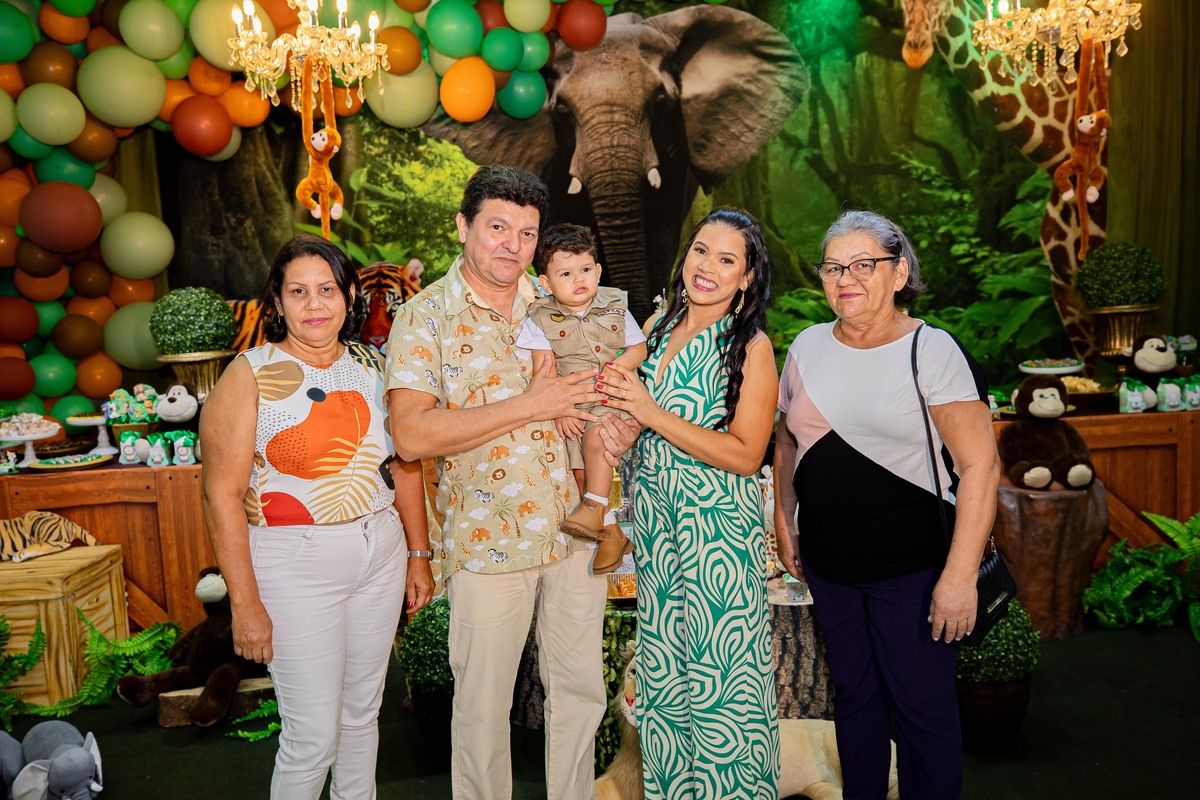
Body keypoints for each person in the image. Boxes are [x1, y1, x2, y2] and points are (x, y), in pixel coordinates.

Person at [384, 165, 640, 799]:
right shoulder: (425, 316)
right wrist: (531, 403)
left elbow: (616, 384)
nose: (513, 245)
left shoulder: (560, 295)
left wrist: (623, 423)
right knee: (482, 706)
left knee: (580, 692)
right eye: (497, 227)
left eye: (527, 233)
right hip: (487, 542)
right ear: (462, 225)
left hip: (577, 532)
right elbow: (410, 436)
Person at [773, 210, 1000, 800]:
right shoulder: (806, 345)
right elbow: (787, 440)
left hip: (914, 570)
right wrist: (784, 516)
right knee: (855, 698)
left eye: (862, 265)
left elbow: (980, 467)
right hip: (830, 567)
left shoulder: (932, 350)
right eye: (832, 267)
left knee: (922, 710)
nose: (844, 278)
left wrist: (959, 579)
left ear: (898, 273)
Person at [200, 234, 434, 800]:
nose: (314, 304)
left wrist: (418, 554)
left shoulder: (375, 364)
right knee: (311, 739)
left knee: (361, 718)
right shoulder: (249, 374)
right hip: (294, 563)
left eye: (327, 289)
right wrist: (245, 604)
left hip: (380, 553)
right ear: (277, 302)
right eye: (298, 291)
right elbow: (220, 496)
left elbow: (404, 465)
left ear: (349, 296)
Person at [595, 206, 781, 799]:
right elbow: (631, 412)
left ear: (746, 277)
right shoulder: (659, 322)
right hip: (658, 537)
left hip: (716, 541)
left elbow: (747, 454)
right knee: (668, 690)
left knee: (724, 693)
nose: (707, 267)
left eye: (727, 260)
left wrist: (649, 413)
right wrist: (623, 428)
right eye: (701, 250)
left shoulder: (751, 347)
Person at [515, 223, 646, 571]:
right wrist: (561, 410)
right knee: (580, 472)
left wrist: (617, 369)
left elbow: (639, 348)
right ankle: (613, 535)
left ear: (598, 271)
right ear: (546, 283)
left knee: (596, 441)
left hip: (611, 398)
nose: (579, 280)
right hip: (573, 406)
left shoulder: (615, 305)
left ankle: (594, 508)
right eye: (566, 274)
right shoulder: (539, 318)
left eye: (586, 270)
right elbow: (544, 372)